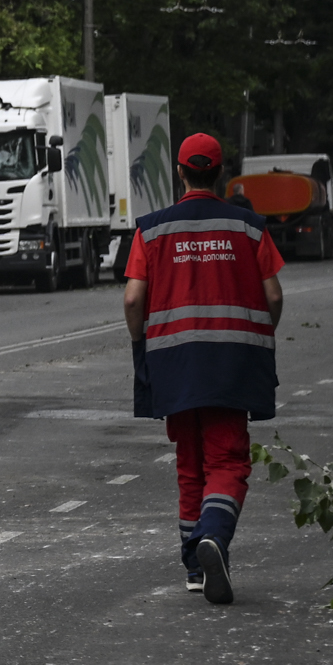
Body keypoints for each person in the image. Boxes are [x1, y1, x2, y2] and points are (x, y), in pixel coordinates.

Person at [124, 131, 284, 605]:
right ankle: (213, 536)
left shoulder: (151, 230)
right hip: (231, 363)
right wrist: (259, 337)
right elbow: (273, 296)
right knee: (228, 460)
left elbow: (133, 297)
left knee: (190, 465)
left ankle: (195, 566)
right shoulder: (250, 227)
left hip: (173, 363)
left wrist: (142, 346)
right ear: (219, 173)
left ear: (180, 172)